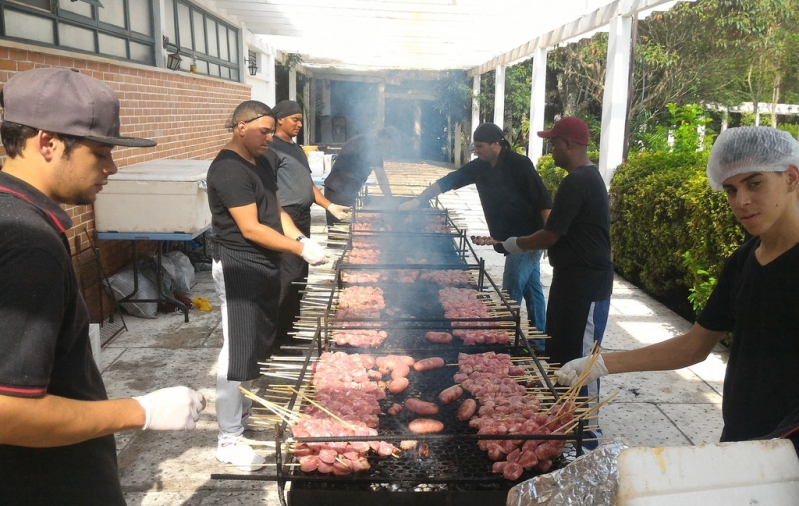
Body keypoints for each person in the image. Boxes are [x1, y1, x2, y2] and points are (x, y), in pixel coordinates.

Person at [0, 68, 205, 504]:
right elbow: (8, 412)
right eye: (101, 153)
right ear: (48, 143)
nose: (112, 167)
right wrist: (141, 411)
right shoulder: (26, 243)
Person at [555, 126, 799, 447]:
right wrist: (600, 364)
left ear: (791, 177)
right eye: (730, 189)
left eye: (755, 183)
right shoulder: (742, 262)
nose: (742, 201)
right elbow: (694, 346)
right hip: (741, 438)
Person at [206, 100, 328, 471]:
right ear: (241, 126)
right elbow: (251, 228)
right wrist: (298, 248)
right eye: (263, 131)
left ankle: (241, 414)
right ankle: (228, 438)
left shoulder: (263, 160)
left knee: (258, 341)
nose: (270, 138)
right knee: (237, 350)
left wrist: (301, 240)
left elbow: (275, 214)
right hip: (237, 264)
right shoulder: (228, 169)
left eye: (273, 131)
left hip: (263, 263)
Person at [502, 116, 613, 449]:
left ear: (570, 145)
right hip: (570, 282)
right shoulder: (580, 179)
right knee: (561, 355)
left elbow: (550, 234)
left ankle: (588, 437)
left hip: (587, 287)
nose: (551, 149)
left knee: (583, 360)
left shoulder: (579, 181)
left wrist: (513, 243)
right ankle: (563, 424)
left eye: (553, 142)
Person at [399, 123, 552, 345]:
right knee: (533, 288)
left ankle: (503, 343)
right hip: (507, 239)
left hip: (526, 238)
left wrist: (548, 235)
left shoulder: (519, 164)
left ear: (496, 144)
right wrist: (418, 200)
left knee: (509, 293)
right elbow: (449, 181)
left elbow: (543, 199)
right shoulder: (480, 166)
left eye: (480, 146)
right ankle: (540, 343)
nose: (476, 150)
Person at [269, 100, 350, 352]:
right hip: (286, 218)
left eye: (301, 119)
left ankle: (290, 331)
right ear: (279, 119)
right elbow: (269, 189)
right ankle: (276, 338)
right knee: (288, 277)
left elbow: (308, 184)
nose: (299, 124)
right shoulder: (271, 149)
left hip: (303, 216)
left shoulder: (295, 149)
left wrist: (329, 206)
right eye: (295, 119)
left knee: (300, 277)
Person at [322, 127, 398, 225]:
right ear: (385, 138)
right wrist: (389, 199)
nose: (390, 149)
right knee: (341, 228)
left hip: (340, 190)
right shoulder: (372, 146)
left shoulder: (363, 139)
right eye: (390, 145)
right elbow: (381, 177)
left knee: (344, 228)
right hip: (339, 192)